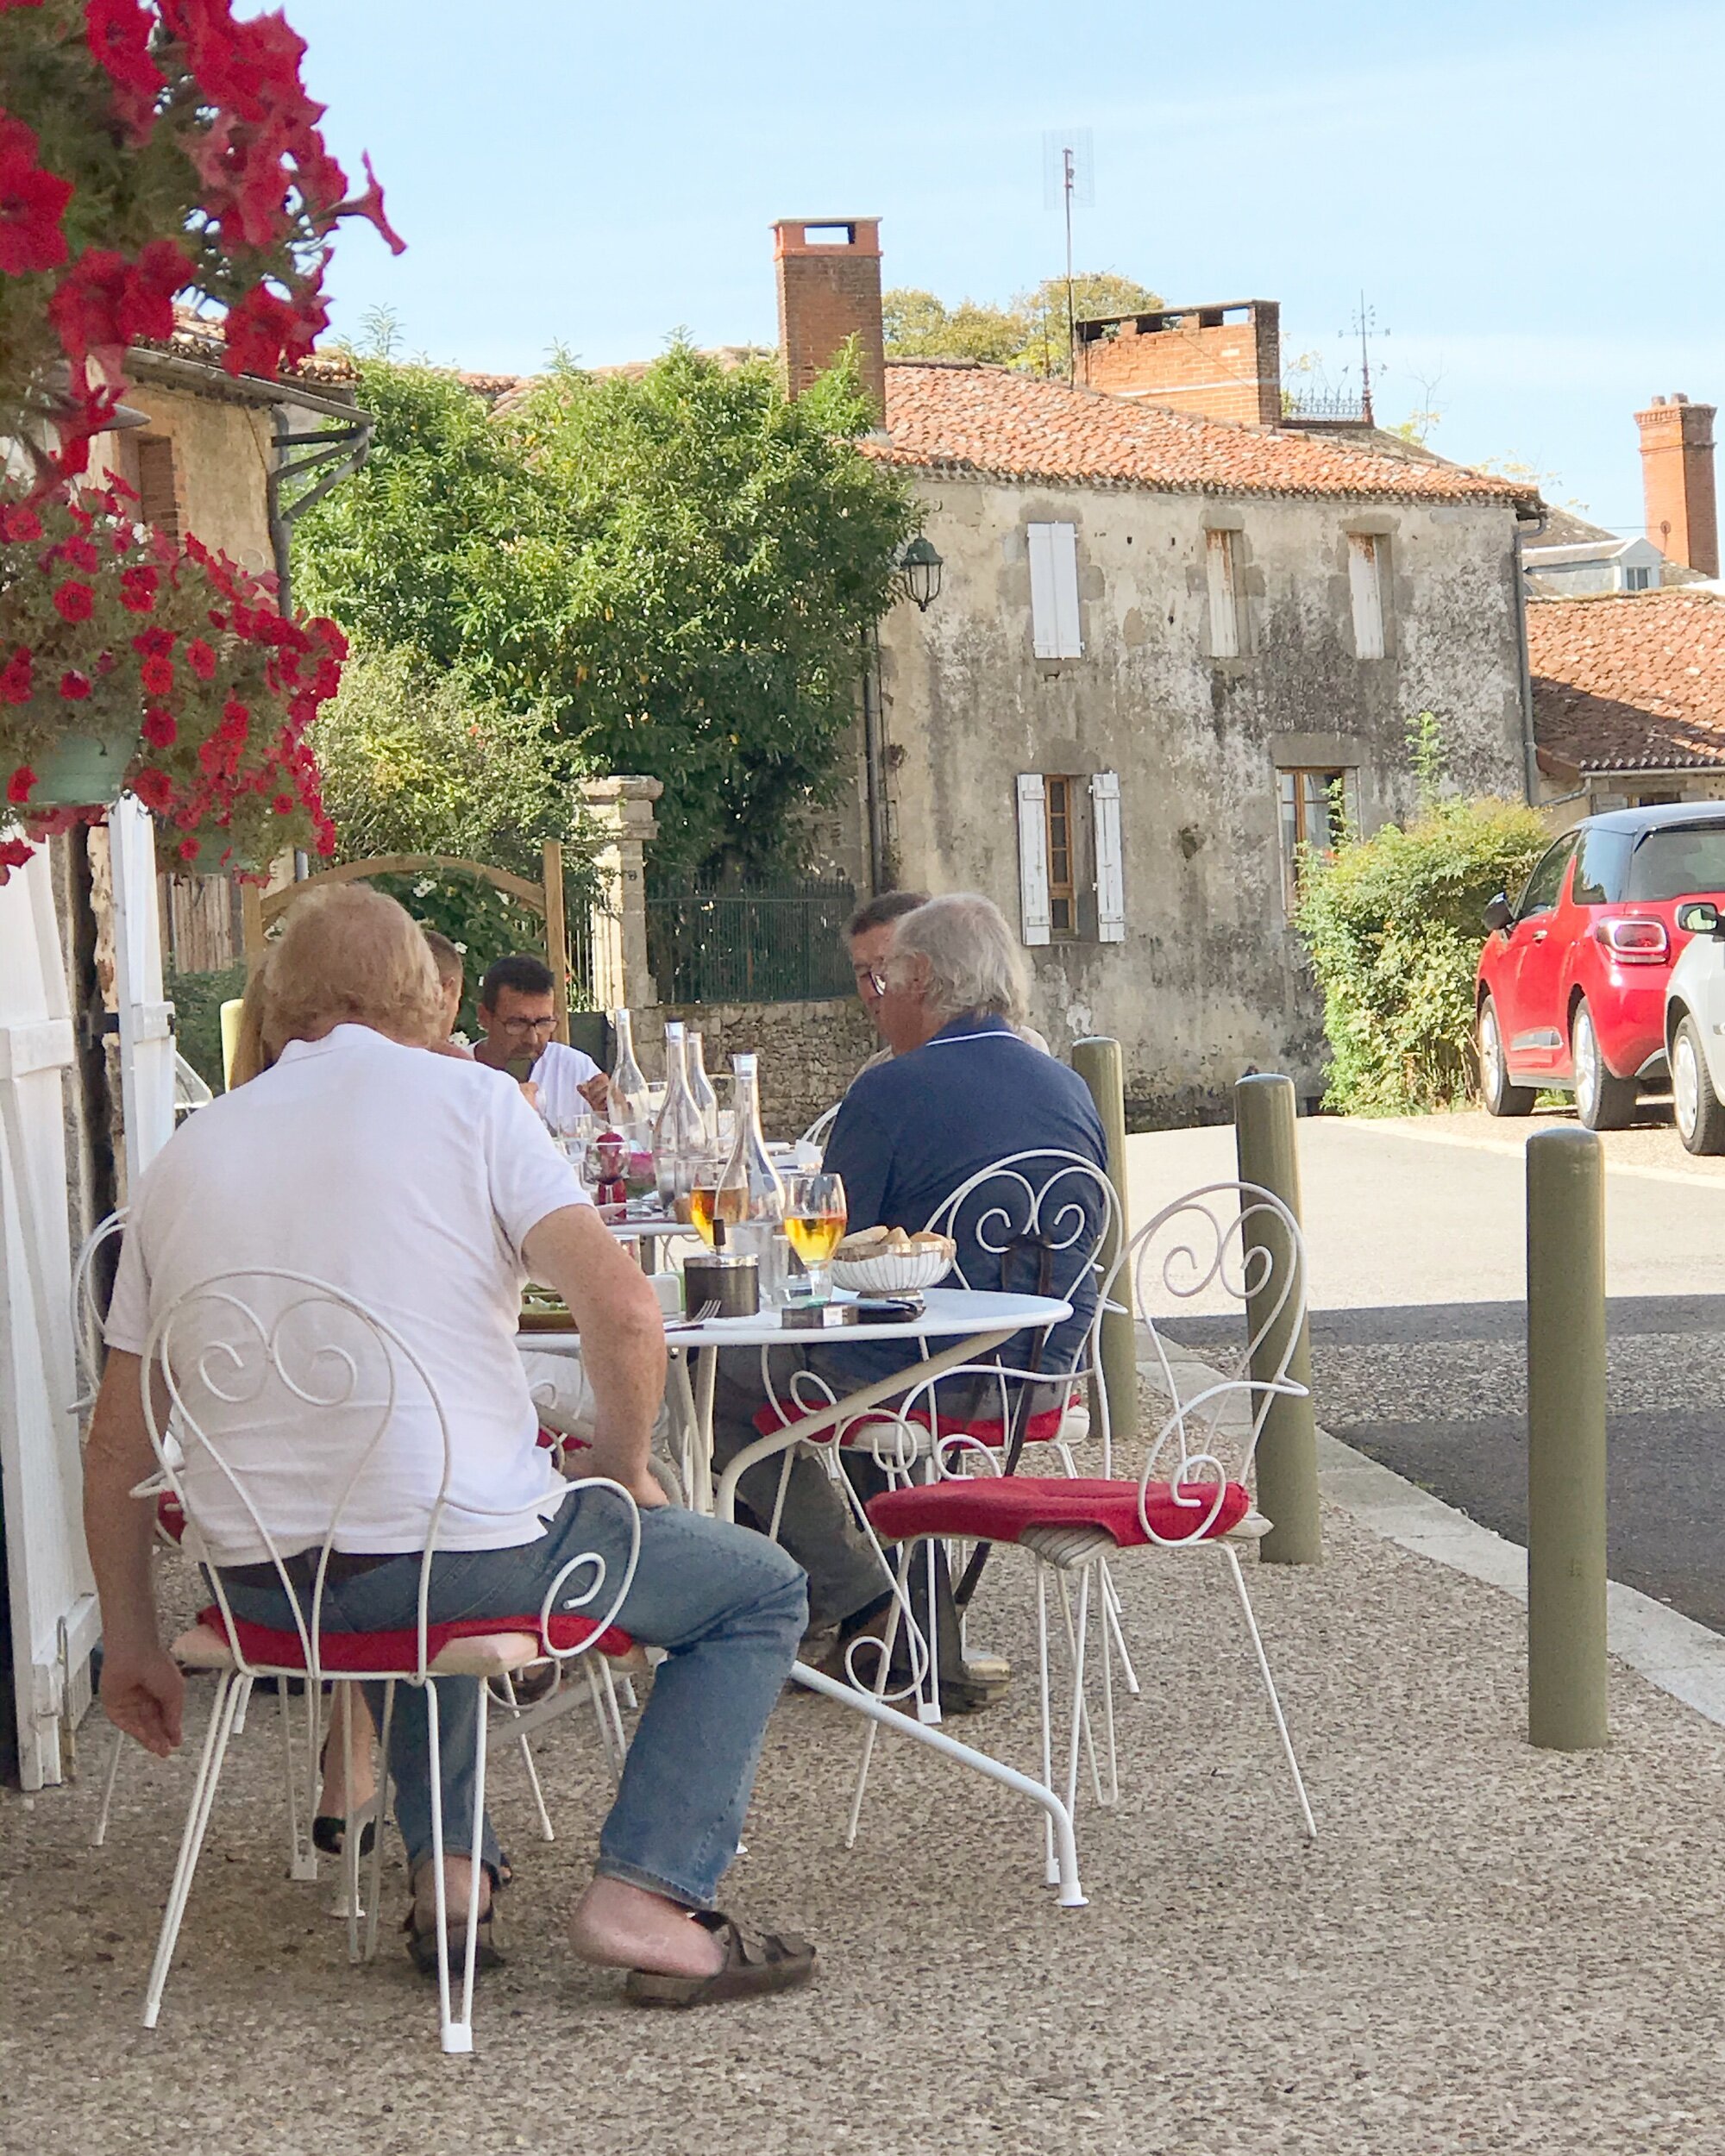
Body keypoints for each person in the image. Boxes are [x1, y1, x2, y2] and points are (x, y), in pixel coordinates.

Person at [85, 884, 814, 2002]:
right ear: (425, 1002)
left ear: (281, 1006)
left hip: (263, 1596)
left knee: (414, 1546)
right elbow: (625, 1312)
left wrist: (130, 1638)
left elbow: (117, 1441)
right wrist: (619, 1470)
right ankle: (652, 1892)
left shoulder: (182, 1160)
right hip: (455, 1566)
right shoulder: (472, 1103)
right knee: (755, 1588)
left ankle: (454, 1879)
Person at [711, 893, 1107, 1707]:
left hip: (915, 1377)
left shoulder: (893, 1091)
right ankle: (887, 1609)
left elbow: (826, 1254)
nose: (878, 998)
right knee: (839, 1368)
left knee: (712, 1381)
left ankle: (858, 1595)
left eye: (885, 979)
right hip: (1039, 1376)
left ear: (921, 976)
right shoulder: (1068, 1088)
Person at [844, 889, 1051, 1072]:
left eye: (887, 967)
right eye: (863, 974)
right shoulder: (874, 1074)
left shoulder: (1026, 1051)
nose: (875, 989)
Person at [472, 952, 608, 1126]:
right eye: (517, 1023)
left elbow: (627, 1139)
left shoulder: (575, 1068)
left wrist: (614, 1111)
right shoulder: (460, 1075)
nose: (532, 1039)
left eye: (544, 1022)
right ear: (484, 1017)